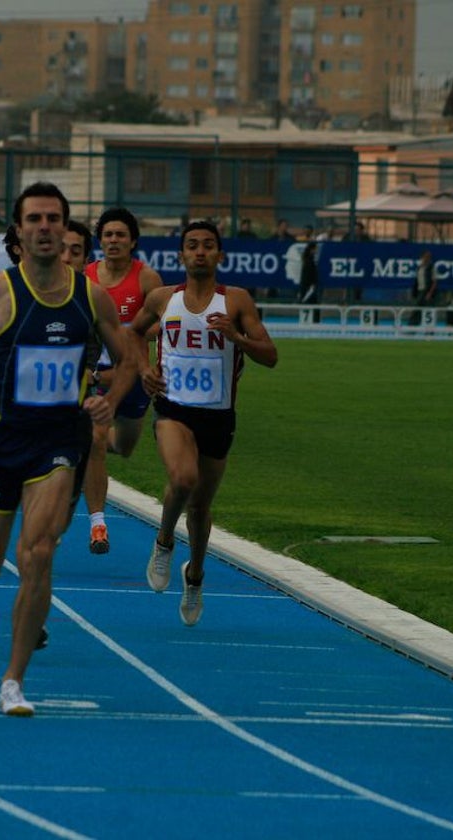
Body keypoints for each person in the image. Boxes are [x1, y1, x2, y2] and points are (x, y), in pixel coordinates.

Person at [0, 182, 131, 716]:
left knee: (38, 552)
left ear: (66, 229)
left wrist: (107, 400)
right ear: (18, 231)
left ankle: (13, 681)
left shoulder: (91, 297)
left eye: (54, 219)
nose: (46, 228)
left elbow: (129, 358)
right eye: (35, 219)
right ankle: (23, 607)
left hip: (59, 443)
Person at [129, 219, 277, 625]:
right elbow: (133, 334)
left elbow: (270, 355)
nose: (199, 251)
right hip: (173, 408)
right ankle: (163, 541)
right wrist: (144, 370)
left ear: (219, 255)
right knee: (182, 479)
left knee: (201, 506)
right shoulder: (162, 298)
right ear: (181, 254)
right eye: (192, 245)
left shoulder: (237, 301)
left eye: (207, 245)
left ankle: (194, 575)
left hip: (218, 415)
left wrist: (237, 337)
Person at [81, 207, 163, 554]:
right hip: (95, 377)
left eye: (120, 235)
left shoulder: (146, 279)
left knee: (123, 446)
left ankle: (85, 453)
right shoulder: (85, 277)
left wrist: (131, 334)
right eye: (108, 235)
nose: (113, 241)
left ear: (133, 242)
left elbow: (164, 324)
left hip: (132, 377)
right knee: (95, 440)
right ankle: (98, 524)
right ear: (100, 240)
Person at [408, 250, 437, 326]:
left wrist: (430, 293)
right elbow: (417, 281)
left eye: (428, 257)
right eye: (425, 257)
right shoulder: (419, 267)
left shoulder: (431, 267)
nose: (427, 258)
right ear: (422, 257)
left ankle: (429, 330)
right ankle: (412, 328)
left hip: (427, 291)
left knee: (428, 312)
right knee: (416, 310)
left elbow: (434, 282)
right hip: (420, 291)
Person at [298, 240, 320, 323]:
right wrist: (312, 286)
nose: (316, 251)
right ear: (312, 250)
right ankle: (312, 323)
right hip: (309, 289)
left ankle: (311, 322)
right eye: (315, 249)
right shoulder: (309, 262)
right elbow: (307, 277)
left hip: (308, 288)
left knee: (311, 307)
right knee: (310, 306)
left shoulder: (309, 261)